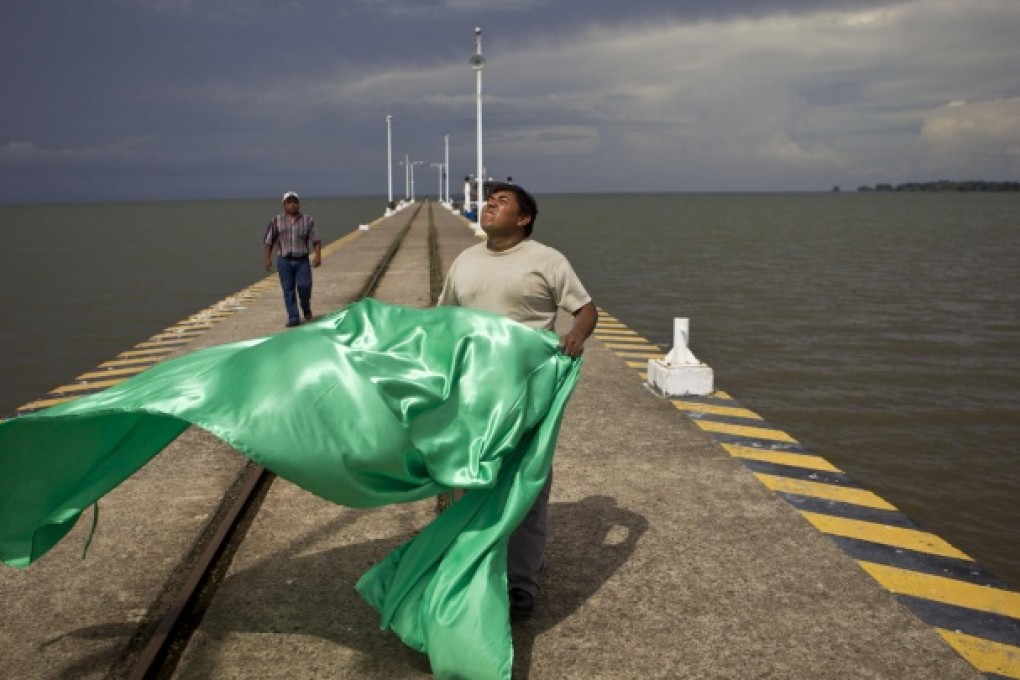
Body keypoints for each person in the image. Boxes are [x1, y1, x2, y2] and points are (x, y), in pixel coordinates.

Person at [438, 182, 597, 618]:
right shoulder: (465, 261)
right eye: (488, 199)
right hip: (472, 390)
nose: (489, 204)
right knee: (468, 480)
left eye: (501, 200)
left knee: (526, 485)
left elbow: (585, 309)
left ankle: (521, 584)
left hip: (527, 390)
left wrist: (576, 337)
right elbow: (443, 319)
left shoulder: (547, 260)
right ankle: (472, 566)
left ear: (523, 218)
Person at [263, 191, 322, 327]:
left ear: (299, 204)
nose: (292, 205)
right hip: (284, 261)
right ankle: (293, 316)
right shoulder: (276, 221)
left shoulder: (307, 220)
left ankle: (305, 306)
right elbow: (268, 241)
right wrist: (267, 258)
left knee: (304, 286)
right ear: (284, 205)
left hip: (302, 260)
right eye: (289, 202)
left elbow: (316, 240)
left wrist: (318, 256)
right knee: (288, 289)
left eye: (295, 202)